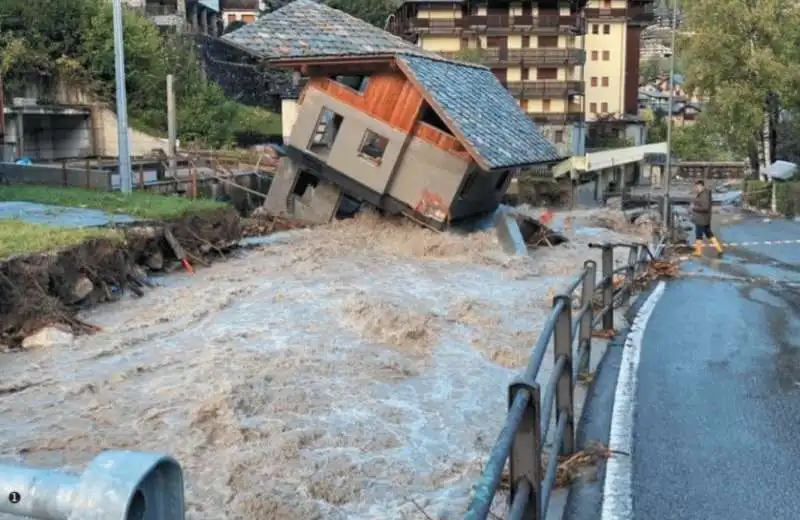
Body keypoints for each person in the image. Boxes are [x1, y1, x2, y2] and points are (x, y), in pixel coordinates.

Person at [691, 180, 724, 256]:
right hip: (705, 219)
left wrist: (694, 207)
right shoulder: (703, 193)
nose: (695, 188)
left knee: (698, 235)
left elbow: (705, 207)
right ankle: (719, 249)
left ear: (701, 186)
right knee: (709, 234)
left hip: (701, 219)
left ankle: (698, 252)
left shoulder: (704, 195)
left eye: (696, 187)